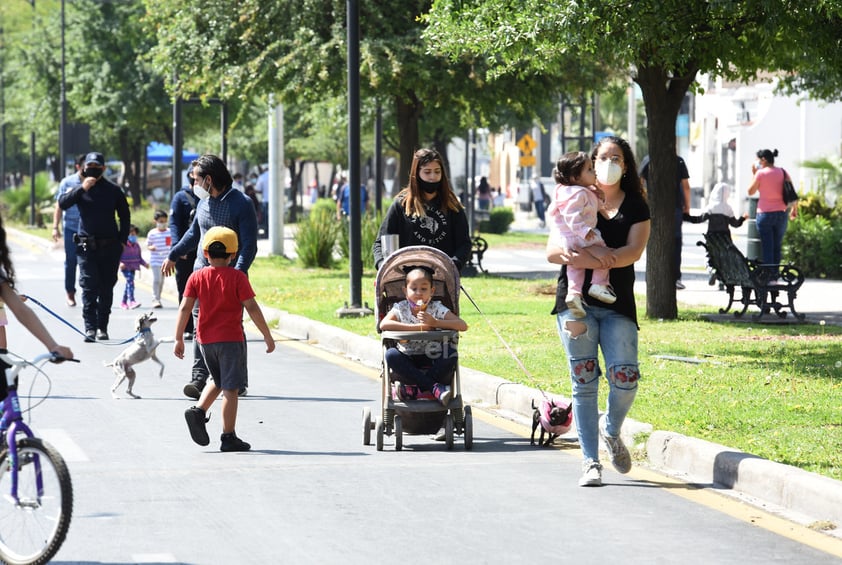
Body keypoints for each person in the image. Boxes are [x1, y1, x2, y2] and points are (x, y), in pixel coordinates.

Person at [546, 135, 650, 487]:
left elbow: (631, 253)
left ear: (626, 164)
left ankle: (611, 429)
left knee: (626, 378)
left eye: (616, 157)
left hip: (617, 303)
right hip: (575, 305)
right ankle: (590, 462)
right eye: (602, 157)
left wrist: (590, 258)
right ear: (588, 163)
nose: (608, 163)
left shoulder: (635, 205)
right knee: (584, 382)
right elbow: (554, 252)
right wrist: (593, 258)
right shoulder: (570, 196)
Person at [162, 154, 258, 400]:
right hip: (201, 275)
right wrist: (173, 254)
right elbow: (194, 234)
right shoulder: (203, 203)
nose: (193, 184)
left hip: (230, 278)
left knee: (232, 328)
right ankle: (198, 378)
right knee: (199, 326)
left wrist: (237, 274)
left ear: (208, 179)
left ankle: (239, 380)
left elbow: (249, 245)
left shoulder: (241, 203)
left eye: (196, 179)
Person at [175, 227, 275, 452]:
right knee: (231, 389)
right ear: (233, 254)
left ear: (206, 253)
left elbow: (185, 308)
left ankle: (198, 411)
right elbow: (252, 308)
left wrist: (178, 338)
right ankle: (228, 436)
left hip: (204, 341)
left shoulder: (196, 276)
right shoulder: (238, 277)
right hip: (230, 341)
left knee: (218, 379)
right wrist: (267, 336)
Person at [58, 151, 131, 342]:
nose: (93, 170)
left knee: (106, 288)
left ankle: (102, 327)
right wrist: (82, 188)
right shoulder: (80, 188)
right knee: (89, 287)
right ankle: (89, 328)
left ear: (104, 169)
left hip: (110, 247)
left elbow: (125, 216)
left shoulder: (113, 190)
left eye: (97, 167)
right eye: (90, 166)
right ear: (83, 168)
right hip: (86, 247)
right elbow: (63, 203)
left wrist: (122, 241)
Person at [379, 266, 468, 405]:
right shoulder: (401, 308)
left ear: (432, 291)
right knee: (391, 355)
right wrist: (417, 328)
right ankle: (434, 388)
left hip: (432, 356)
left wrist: (436, 322)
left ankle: (416, 390)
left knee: (451, 354)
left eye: (424, 289)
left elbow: (462, 325)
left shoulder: (436, 308)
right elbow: (384, 325)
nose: (419, 293)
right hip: (408, 357)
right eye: (414, 289)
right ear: (405, 291)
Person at [372, 148, 471, 272]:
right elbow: (380, 243)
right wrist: (383, 266)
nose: (433, 177)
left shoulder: (452, 206)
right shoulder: (401, 205)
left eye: (437, 171)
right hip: (406, 280)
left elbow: (464, 244)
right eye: (427, 172)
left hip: (443, 278)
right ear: (416, 174)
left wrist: (453, 265)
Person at [546, 151, 617, 318]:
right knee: (604, 254)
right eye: (590, 170)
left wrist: (598, 194)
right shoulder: (578, 193)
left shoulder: (567, 191)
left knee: (575, 266)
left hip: (568, 240)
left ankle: (574, 294)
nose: (595, 172)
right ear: (575, 178)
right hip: (581, 235)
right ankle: (599, 285)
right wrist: (584, 231)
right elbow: (572, 215)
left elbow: (593, 207)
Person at [639, 153, 690, 289]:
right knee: (676, 242)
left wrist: (644, 200)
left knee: (654, 242)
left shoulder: (648, 160)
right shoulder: (678, 160)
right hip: (675, 207)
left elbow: (640, 181)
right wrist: (687, 207)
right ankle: (676, 277)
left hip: (653, 207)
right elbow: (686, 186)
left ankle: (653, 276)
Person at [747, 148, 796, 265]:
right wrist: (795, 209)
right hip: (781, 213)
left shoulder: (760, 174)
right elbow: (791, 192)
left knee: (767, 247)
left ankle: (769, 277)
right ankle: (775, 275)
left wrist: (754, 175)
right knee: (776, 246)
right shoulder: (783, 172)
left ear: (763, 160)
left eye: (758, 161)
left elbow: (750, 191)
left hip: (765, 214)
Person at [51, 154, 86, 307]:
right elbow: (59, 205)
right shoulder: (67, 182)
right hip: (71, 228)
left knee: (88, 262)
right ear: (78, 166)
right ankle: (70, 293)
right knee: (71, 261)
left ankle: (88, 293)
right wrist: (55, 227)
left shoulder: (95, 182)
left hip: (88, 229)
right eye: (86, 165)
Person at [169, 166, 199, 338]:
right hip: (184, 251)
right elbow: (174, 224)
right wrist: (177, 247)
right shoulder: (180, 197)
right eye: (193, 175)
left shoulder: (207, 196)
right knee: (186, 290)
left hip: (203, 250)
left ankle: (201, 326)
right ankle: (187, 328)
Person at [683, 182, 748, 241]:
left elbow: (699, 219)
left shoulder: (711, 207)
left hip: (712, 238)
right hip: (725, 238)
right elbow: (735, 224)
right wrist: (743, 218)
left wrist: (685, 216)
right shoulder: (728, 208)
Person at [146, 209, 172, 309]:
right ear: (155, 221)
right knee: (157, 279)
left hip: (165, 261)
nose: (163, 223)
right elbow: (148, 245)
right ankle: (155, 299)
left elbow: (171, 244)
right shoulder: (152, 233)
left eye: (165, 221)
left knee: (161, 281)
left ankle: (158, 298)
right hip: (155, 261)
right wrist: (151, 247)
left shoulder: (169, 232)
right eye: (161, 221)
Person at [119, 225, 147, 309]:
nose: (133, 235)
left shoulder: (137, 246)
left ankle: (123, 302)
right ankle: (132, 301)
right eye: (130, 233)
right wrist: (120, 263)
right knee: (130, 282)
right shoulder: (123, 245)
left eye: (134, 234)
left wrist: (144, 264)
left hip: (133, 267)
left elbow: (139, 258)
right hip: (125, 267)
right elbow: (117, 256)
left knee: (129, 284)